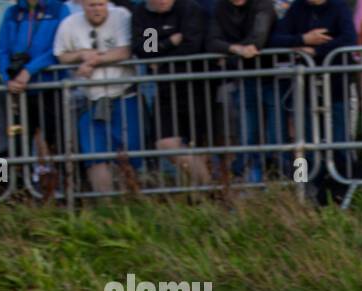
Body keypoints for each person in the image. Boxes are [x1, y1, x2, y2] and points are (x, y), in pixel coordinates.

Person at [53, 0, 139, 194]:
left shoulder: (122, 15)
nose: (97, 9)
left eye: (100, 4)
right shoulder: (69, 23)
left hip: (124, 97)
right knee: (94, 157)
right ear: (82, 5)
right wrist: (81, 55)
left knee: (130, 155)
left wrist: (94, 60)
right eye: (91, 5)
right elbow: (60, 55)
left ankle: (133, 206)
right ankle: (106, 207)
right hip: (90, 101)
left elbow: (126, 50)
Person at [271, 0, 353, 196]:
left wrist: (317, 50)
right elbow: (275, 39)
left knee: (340, 141)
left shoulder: (338, 7)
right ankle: (302, 188)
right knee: (302, 143)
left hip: (336, 86)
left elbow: (349, 38)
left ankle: (341, 189)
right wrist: (303, 39)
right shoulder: (297, 8)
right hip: (304, 91)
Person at [132, 0, 213, 185]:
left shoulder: (189, 9)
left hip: (195, 86)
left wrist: (160, 57)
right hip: (165, 89)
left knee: (199, 146)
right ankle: (208, 187)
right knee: (165, 143)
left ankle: (206, 196)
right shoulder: (144, 14)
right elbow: (145, 50)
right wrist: (169, 42)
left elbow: (191, 46)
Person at [206, 0, 280, 182]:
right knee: (247, 136)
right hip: (244, 78)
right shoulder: (220, 8)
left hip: (276, 78)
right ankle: (251, 182)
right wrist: (236, 49)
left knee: (280, 138)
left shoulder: (263, 6)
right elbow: (211, 42)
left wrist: (230, 57)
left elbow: (257, 42)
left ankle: (296, 182)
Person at [0, 0, 66, 174]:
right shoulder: (12, 12)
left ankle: (65, 187)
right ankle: (11, 186)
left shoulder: (59, 9)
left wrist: (29, 70)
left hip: (50, 86)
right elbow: (2, 49)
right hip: (18, 90)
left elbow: (60, 48)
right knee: (15, 143)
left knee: (56, 141)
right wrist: (7, 79)